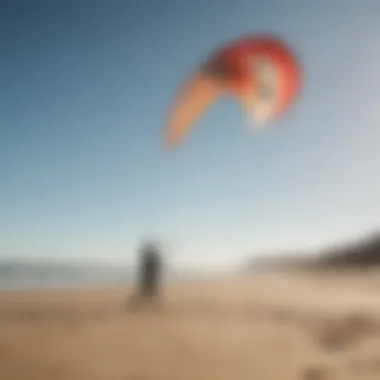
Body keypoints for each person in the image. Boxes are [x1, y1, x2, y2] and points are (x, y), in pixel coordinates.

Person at [127, 240, 163, 310]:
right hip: (149, 284)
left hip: (148, 285)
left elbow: (146, 275)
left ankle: (156, 308)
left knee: (149, 294)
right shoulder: (152, 263)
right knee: (150, 294)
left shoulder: (150, 263)